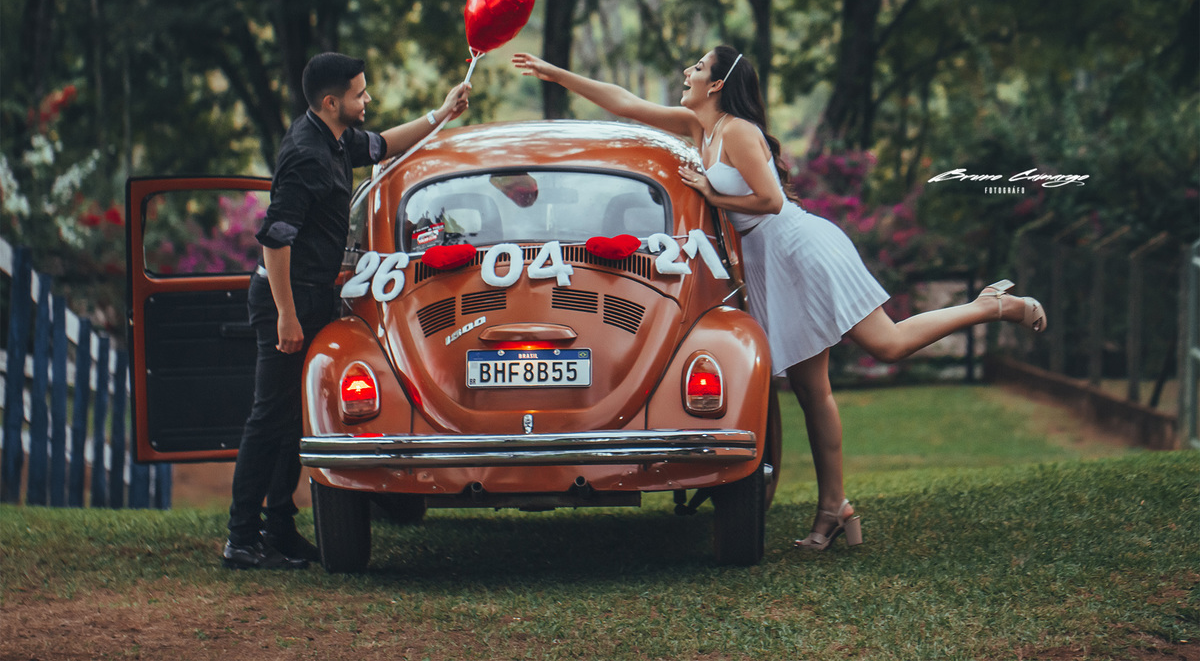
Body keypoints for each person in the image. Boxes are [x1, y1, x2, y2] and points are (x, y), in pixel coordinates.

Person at [511, 46, 1045, 552]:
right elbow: (625, 102)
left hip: (797, 248)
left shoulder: (738, 131)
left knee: (888, 343)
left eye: (697, 67)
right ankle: (834, 508)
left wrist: (710, 193)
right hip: (770, 262)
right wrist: (555, 73)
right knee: (812, 391)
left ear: (717, 84)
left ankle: (992, 305)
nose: (687, 73)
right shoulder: (702, 127)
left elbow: (769, 200)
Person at [223, 52, 471, 570]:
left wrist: (443, 112)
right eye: (360, 93)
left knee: (293, 419)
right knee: (269, 417)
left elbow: (384, 144)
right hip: (286, 297)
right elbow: (275, 240)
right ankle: (241, 538)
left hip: (312, 293)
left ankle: (279, 528)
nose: (368, 99)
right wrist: (287, 315)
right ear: (332, 102)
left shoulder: (336, 138)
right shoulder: (306, 156)